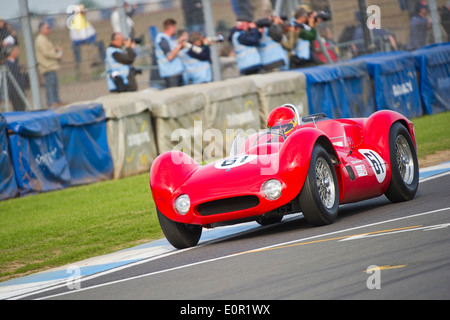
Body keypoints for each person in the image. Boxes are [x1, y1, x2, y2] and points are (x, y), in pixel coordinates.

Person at [35, 21, 63, 108]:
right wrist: (57, 55)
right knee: (50, 85)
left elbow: (49, 50)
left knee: (54, 84)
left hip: (51, 65)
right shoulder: (40, 40)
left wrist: (55, 49)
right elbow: (46, 52)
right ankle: (51, 102)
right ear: (42, 29)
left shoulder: (44, 39)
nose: (49, 29)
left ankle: (56, 100)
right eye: (47, 28)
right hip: (46, 66)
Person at [154, 19, 185, 88]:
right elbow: (170, 56)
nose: (175, 29)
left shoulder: (170, 39)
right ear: (171, 27)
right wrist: (179, 47)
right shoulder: (162, 39)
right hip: (170, 73)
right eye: (174, 27)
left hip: (177, 72)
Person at [4, 45, 28, 111]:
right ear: (11, 52)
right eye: (16, 50)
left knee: (22, 108)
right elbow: (15, 77)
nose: (18, 52)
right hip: (14, 91)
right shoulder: (7, 64)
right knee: (18, 109)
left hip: (20, 89)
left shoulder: (14, 63)